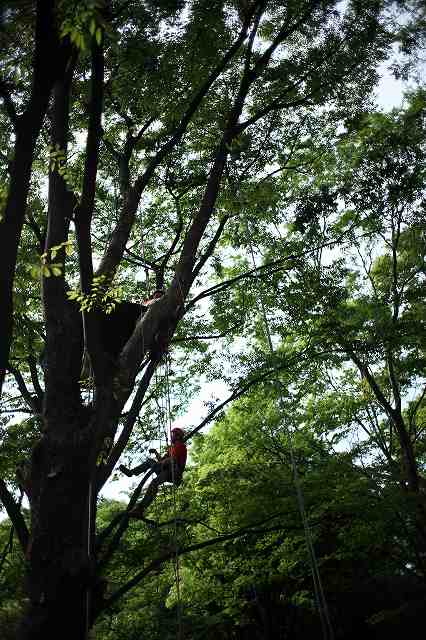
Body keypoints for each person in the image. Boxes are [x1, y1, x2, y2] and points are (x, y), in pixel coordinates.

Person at [119, 427, 187, 518]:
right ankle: (131, 473)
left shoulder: (180, 445)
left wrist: (162, 463)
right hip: (166, 469)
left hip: (173, 472)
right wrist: (155, 452)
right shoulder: (172, 448)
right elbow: (162, 460)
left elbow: (173, 460)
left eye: (173, 434)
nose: (172, 436)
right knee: (150, 461)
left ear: (178, 436)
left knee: (154, 483)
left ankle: (140, 509)